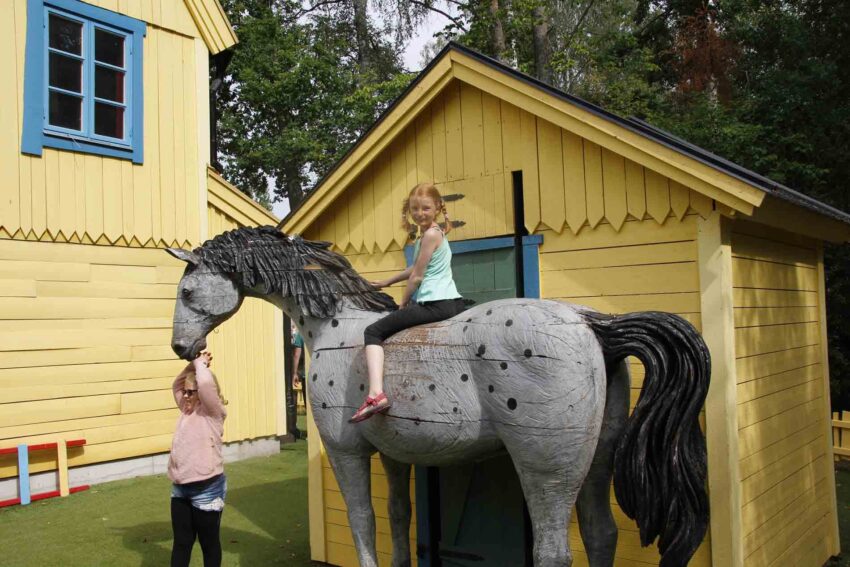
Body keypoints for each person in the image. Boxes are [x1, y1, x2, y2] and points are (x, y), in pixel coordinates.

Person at [350, 182, 465, 423]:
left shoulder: (431, 234)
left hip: (436, 303)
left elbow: (418, 276)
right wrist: (386, 282)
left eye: (425, 208)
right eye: (415, 209)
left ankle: (375, 394)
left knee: (373, 331)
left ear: (436, 208)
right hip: (448, 301)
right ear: (408, 210)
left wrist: (404, 302)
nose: (419, 213)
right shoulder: (432, 234)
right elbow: (415, 268)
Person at [168, 351, 228, 567]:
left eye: (191, 392)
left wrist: (200, 364)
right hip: (180, 489)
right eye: (185, 392)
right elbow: (176, 384)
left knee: (208, 544)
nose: (185, 395)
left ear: (202, 394)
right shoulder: (186, 409)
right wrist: (192, 367)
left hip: (207, 489)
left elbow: (204, 383)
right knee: (182, 543)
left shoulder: (213, 412)